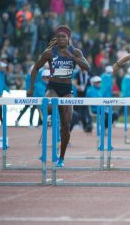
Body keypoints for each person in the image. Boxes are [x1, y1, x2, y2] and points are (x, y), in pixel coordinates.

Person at [27, 25, 90, 168]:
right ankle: (49, 114)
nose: (61, 39)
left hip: (67, 90)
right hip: (53, 87)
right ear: (56, 38)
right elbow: (36, 68)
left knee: (66, 126)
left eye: (64, 37)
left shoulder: (76, 51)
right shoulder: (50, 53)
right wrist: (30, 88)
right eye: (59, 36)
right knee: (50, 103)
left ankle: (61, 157)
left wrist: (72, 57)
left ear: (68, 39)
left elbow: (87, 67)